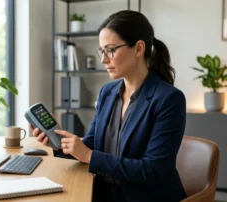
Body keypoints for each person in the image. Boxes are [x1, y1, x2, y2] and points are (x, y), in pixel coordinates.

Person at [30, 10, 187, 202]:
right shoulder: (108, 92)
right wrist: (59, 139)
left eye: (111, 50)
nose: (104, 59)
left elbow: (152, 170)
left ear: (138, 48)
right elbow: (90, 146)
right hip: (103, 194)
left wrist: (89, 155)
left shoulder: (169, 99)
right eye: (102, 51)